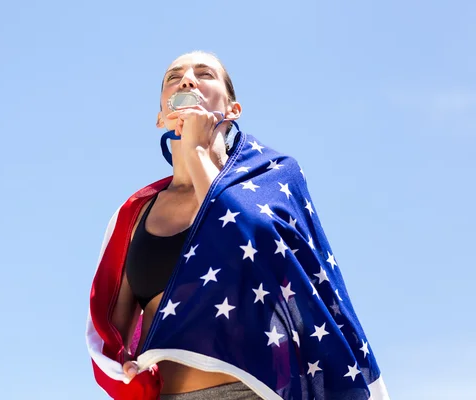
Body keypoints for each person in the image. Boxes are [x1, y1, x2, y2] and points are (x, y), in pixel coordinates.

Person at [86, 51, 389, 400]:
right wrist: (124, 365)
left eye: (204, 74)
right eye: (174, 77)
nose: (187, 80)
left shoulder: (274, 176)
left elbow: (246, 244)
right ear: (160, 118)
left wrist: (199, 153)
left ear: (232, 110)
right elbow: (113, 325)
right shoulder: (137, 212)